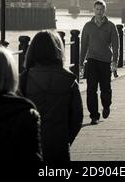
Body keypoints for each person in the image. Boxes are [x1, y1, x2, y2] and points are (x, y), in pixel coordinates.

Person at [19, 30, 83, 162]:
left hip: (30, 145)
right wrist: (65, 139)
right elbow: (77, 117)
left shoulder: (24, 80)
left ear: (32, 51)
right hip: (58, 145)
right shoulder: (69, 80)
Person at [79, 0, 120, 125]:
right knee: (91, 89)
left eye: (101, 9)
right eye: (97, 9)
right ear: (94, 10)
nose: (99, 12)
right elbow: (84, 45)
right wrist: (80, 63)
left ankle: (106, 106)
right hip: (91, 61)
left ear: (104, 11)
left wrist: (114, 61)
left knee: (105, 88)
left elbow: (116, 45)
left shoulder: (111, 26)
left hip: (105, 61)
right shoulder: (87, 26)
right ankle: (94, 116)